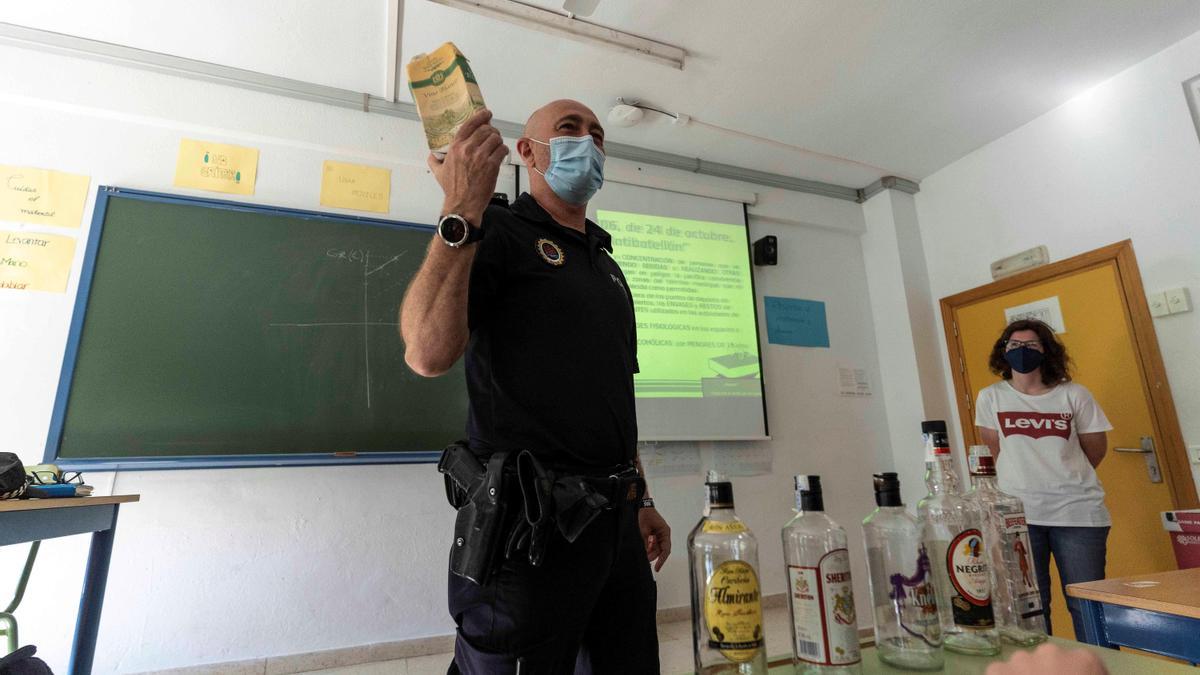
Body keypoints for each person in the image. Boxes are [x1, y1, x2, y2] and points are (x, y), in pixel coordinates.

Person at [399, 101, 670, 674]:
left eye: (598, 135)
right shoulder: (496, 231)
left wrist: (640, 499)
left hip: (615, 529)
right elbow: (425, 353)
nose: (588, 143)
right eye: (569, 130)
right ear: (528, 152)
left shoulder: (606, 262)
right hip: (529, 533)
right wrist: (461, 207)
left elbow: (612, 396)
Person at [974, 319, 1112, 639]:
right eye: (1014, 346)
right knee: (1030, 608)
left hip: (1078, 514)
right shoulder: (990, 397)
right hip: (1018, 516)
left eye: (1031, 346)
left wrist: (1060, 475)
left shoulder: (1074, 394)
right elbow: (995, 450)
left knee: (1087, 605)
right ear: (1004, 352)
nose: (1022, 352)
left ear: (1046, 350)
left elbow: (1095, 450)